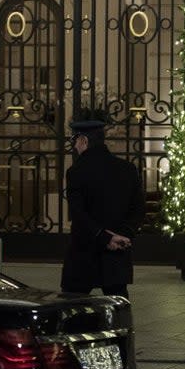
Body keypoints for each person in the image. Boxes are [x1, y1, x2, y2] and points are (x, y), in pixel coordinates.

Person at [60, 119, 145, 298]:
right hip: (117, 253)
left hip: (85, 252)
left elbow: (78, 214)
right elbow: (138, 209)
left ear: (84, 140)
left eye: (75, 141)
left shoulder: (77, 171)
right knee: (118, 307)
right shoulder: (128, 169)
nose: (75, 146)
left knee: (72, 305)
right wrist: (122, 235)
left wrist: (104, 237)